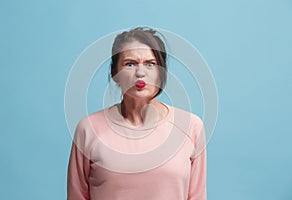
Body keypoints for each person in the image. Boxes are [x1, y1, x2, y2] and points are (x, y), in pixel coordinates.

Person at [67, 27, 207, 200]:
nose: (140, 73)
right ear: (115, 73)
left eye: (150, 64)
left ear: (161, 72)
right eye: (130, 64)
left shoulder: (191, 126)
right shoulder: (88, 129)